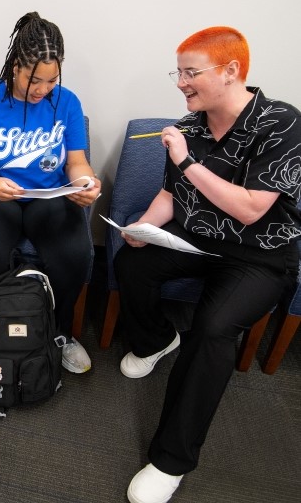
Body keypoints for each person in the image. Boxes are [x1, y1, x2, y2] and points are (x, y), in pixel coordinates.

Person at [115, 26, 301, 503]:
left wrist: (187, 160)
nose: (181, 82)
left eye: (190, 72)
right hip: (196, 238)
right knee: (131, 265)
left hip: (259, 254)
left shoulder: (282, 123)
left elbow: (250, 209)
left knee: (215, 326)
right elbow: (169, 195)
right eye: (178, 72)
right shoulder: (192, 124)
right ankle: (158, 339)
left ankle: (171, 460)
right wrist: (140, 228)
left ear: (231, 71)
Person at [0, 11, 100, 374]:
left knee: (76, 254)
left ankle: (59, 333)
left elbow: (77, 163)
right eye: (35, 80)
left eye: (52, 81)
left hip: (46, 196)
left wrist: (85, 183)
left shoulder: (66, 102)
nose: (43, 90)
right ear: (15, 66)